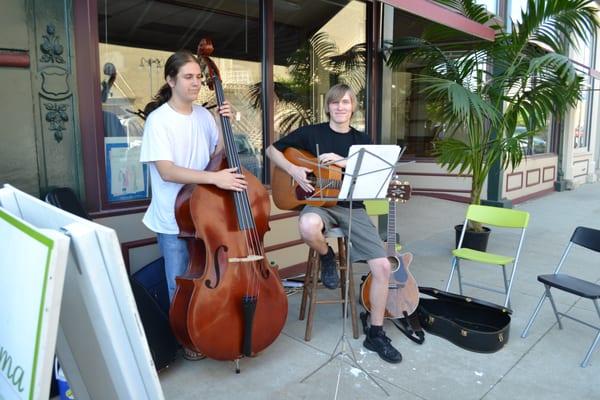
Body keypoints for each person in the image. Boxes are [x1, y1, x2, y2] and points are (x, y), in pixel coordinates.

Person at [266, 83, 410, 364]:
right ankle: (326, 255)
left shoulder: (362, 140)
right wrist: (294, 169)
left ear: (353, 106)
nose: (340, 107)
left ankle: (376, 333)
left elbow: (374, 173)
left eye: (345, 102)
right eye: (335, 102)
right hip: (319, 204)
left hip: (352, 207)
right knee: (307, 226)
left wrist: (343, 161)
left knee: (382, 266)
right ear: (328, 106)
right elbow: (272, 150)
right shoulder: (312, 133)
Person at [139, 50, 246, 360]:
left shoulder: (203, 115)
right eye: (188, 77)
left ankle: (208, 326)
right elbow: (167, 171)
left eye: (199, 77)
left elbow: (217, 153)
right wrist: (215, 180)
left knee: (210, 277)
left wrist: (225, 124)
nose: (197, 82)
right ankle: (186, 337)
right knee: (182, 282)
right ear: (171, 80)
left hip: (206, 214)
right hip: (175, 217)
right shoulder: (158, 121)